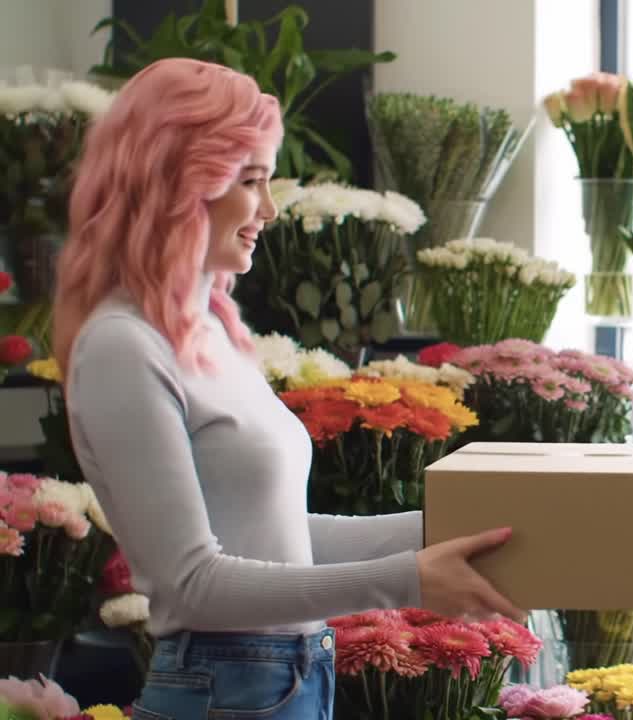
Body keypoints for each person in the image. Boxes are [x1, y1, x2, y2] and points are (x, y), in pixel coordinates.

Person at [52, 58, 524, 719]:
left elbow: (272, 538)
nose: (269, 211)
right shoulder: (121, 347)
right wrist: (409, 579)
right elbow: (192, 588)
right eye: (251, 182)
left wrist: (442, 535)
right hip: (225, 690)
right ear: (180, 185)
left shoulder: (208, 333)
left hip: (285, 682)